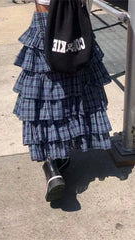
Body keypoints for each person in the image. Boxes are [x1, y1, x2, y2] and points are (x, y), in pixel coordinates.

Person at [13, 0, 112, 202]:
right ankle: (58, 158)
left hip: (45, 23)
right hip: (75, 25)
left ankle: (52, 163)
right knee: (75, 94)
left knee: (47, 98)